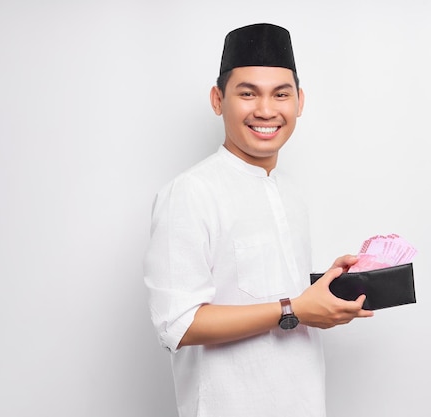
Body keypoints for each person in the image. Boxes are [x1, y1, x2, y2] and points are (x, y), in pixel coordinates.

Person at [144, 23, 373, 417]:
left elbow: (274, 294)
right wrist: (295, 308)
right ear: (218, 100)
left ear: (299, 101)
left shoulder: (291, 193)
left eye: (280, 94)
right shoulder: (191, 193)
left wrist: (322, 291)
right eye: (247, 93)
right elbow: (177, 325)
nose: (266, 110)